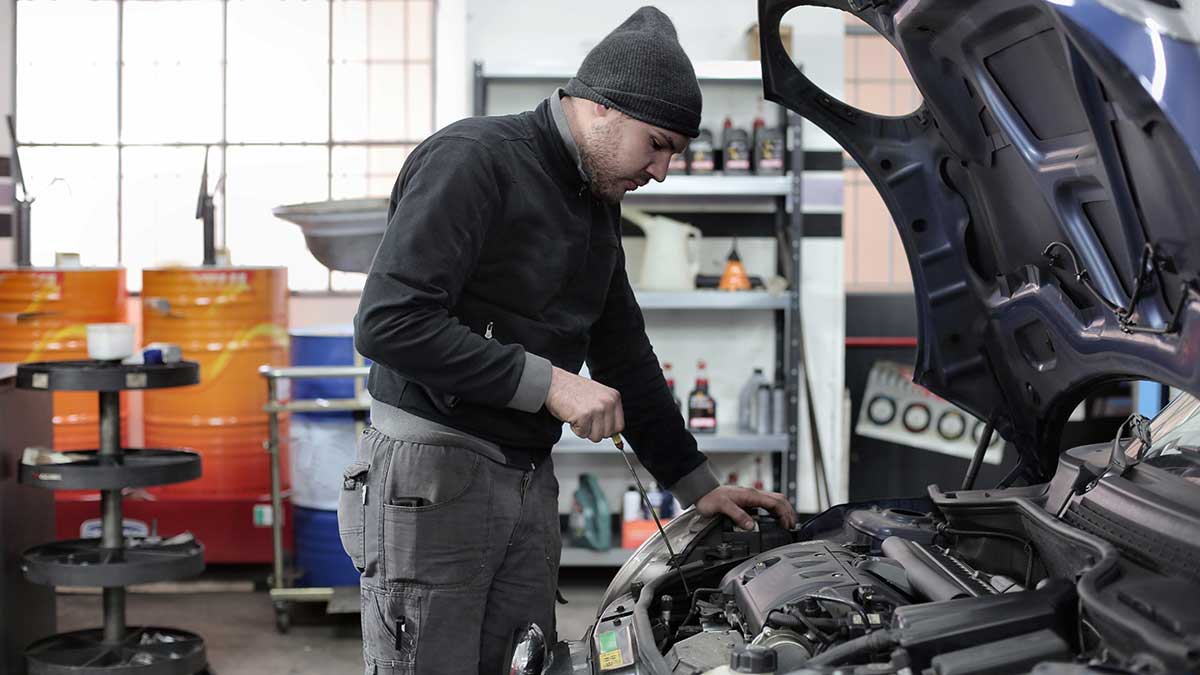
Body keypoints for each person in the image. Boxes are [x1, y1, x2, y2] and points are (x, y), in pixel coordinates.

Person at [347, 6, 798, 674]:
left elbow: (622, 350)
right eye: (658, 143)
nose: (664, 170)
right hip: (432, 478)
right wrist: (552, 382)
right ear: (602, 110)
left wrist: (694, 483)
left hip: (526, 477)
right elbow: (387, 321)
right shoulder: (474, 160)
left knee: (526, 664)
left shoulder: (595, 198)